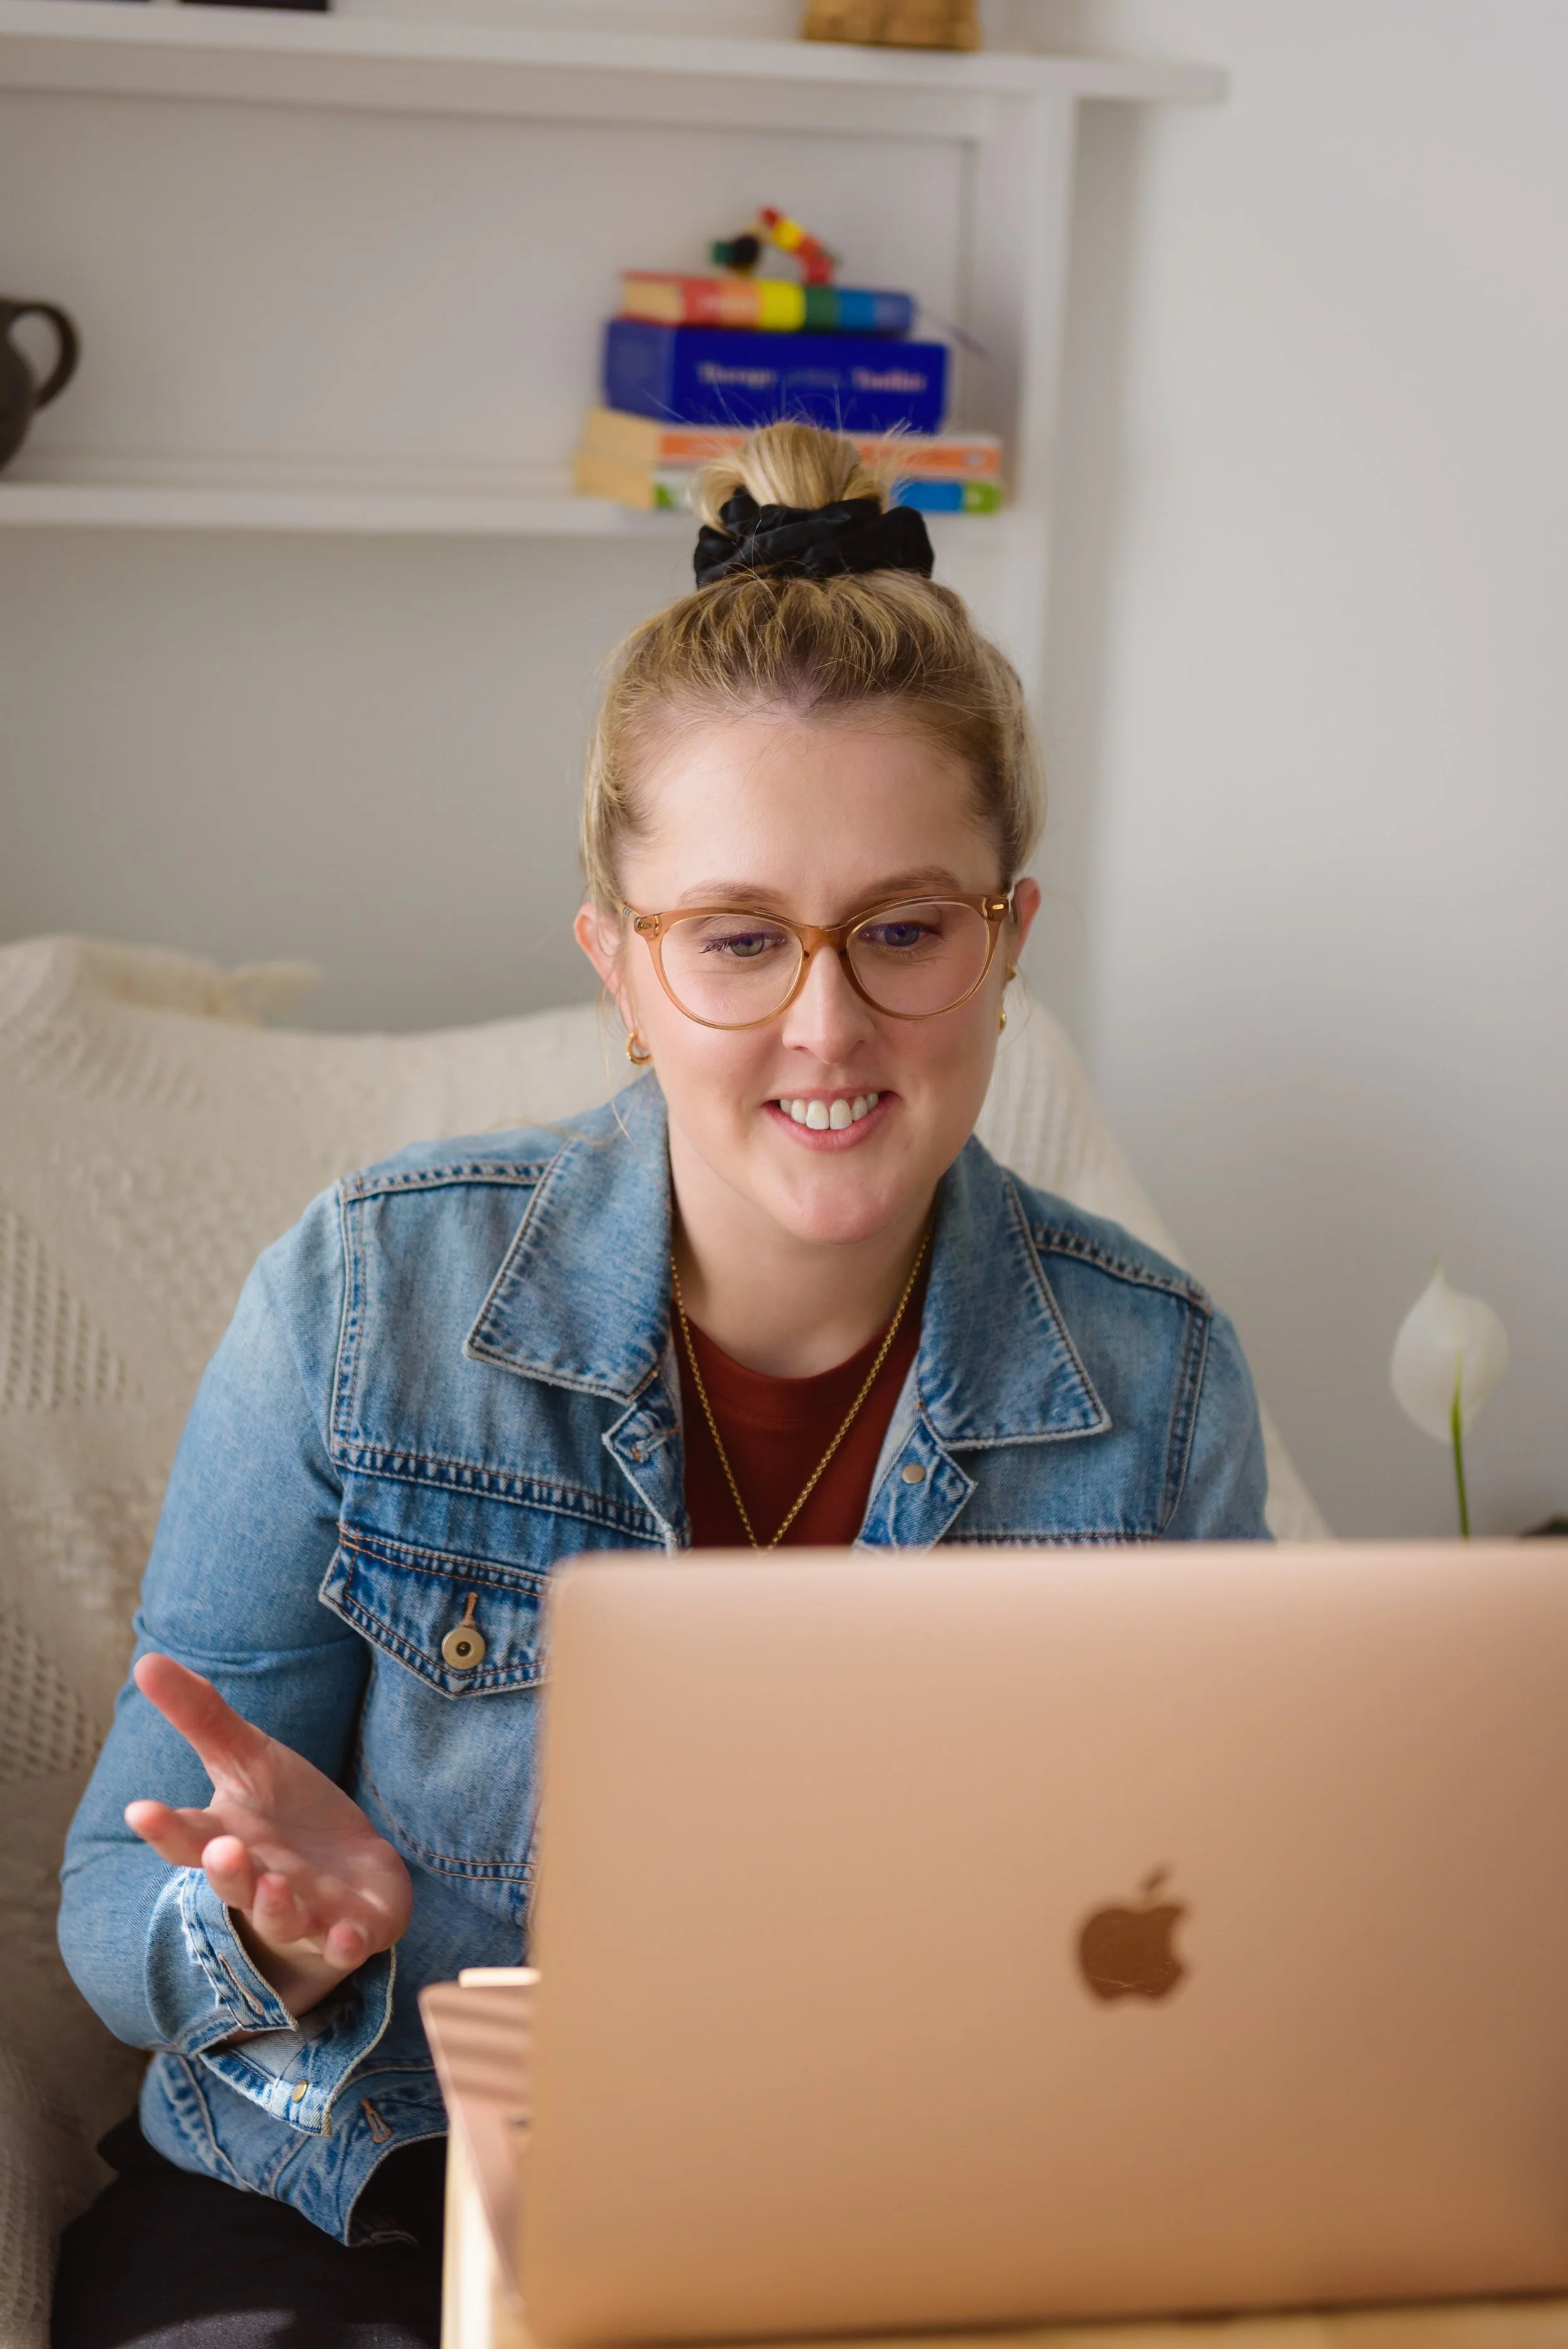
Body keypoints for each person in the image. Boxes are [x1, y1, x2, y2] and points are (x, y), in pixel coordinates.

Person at [53, 422, 1269, 2347]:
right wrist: (260, 1938)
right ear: (618, 968)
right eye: (734, 941)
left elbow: (1207, 1934)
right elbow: (110, 1910)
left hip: (898, 2219)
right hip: (364, 2189)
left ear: (1005, 943)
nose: (825, 1024)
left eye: (900, 931)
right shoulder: (369, 1292)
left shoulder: (1155, 1380)